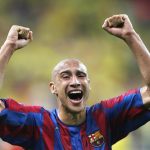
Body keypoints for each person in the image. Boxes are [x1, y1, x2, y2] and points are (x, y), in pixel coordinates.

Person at [0, 14, 150, 150]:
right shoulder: (39, 124)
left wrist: (131, 36)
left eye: (81, 75)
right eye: (65, 76)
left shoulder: (105, 116)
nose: (75, 82)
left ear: (89, 84)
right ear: (53, 88)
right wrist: (8, 46)